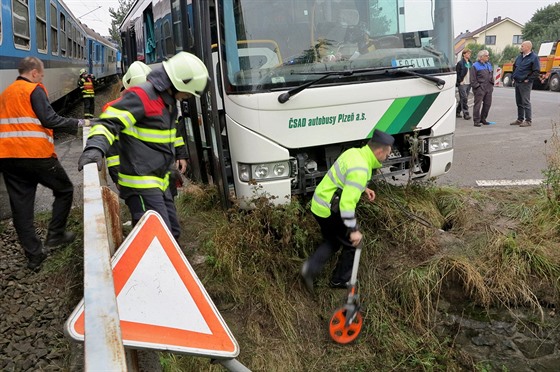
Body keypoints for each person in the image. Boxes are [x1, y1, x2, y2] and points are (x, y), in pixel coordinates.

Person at [78, 52, 208, 242]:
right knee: (158, 238)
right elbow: (108, 123)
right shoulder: (142, 96)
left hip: (158, 180)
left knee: (172, 233)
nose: (186, 97)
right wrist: (94, 148)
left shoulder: (167, 102)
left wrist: (173, 165)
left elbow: (163, 139)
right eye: (187, 93)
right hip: (140, 182)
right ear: (179, 83)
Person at [0, 57, 90, 271]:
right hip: (36, 155)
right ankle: (55, 235)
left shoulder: (5, 93)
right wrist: (80, 123)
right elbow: (50, 119)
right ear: (33, 72)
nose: (42, 77)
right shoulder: (34, 90)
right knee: (65, 189)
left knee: (21, 208)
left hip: (8, 158)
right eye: (41, 74)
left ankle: (34, 256)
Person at [300, 129, 394, 293]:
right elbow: (346, 205)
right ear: (379, 151)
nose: (387, 158)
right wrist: (353, 230)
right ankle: (340, 281)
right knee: (353, 243)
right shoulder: (361, 169)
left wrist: (363, 188)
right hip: (330, 208)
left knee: (333, 240)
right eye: (387, 154)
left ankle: (309, 268)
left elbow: (347, 176)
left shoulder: (354, 153)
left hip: (319, 202)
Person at [510, 41, 541, 127]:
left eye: (522, 46)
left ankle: (528, 120)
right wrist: (513, 77)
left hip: (525, 83)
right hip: (517, 82)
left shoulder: (534, 58)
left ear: (528, 47)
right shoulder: (520, 57)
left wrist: (528, 79)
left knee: (525, 101)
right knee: (519, 101)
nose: (521, 47)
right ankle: (520, 119)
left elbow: (536, 71)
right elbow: (515, 67)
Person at [470, 50, 494, 127]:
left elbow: (491, 75)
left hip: (489, 88)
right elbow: (472, 79)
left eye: (488, 55)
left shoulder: (488, 64)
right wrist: (477, 87)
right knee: (478, 105)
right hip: (480, 88)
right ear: (481, 57)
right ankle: (476, 120)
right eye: (486, 55)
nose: (488, 57)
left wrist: (492, 84)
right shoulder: (475, 65)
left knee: (487, 104)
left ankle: (483, 119)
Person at [455, 48, 472, 120]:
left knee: (463, 98)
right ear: (464, 54)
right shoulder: (460, 63)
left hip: (469, 83)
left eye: (470, 53)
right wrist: (459, 81)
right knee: (464, 98)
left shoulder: (471, 63)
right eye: (468, 53)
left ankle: (457, 112)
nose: (469, 55)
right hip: (462, 83)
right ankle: (466, 114)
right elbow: (457, 73)